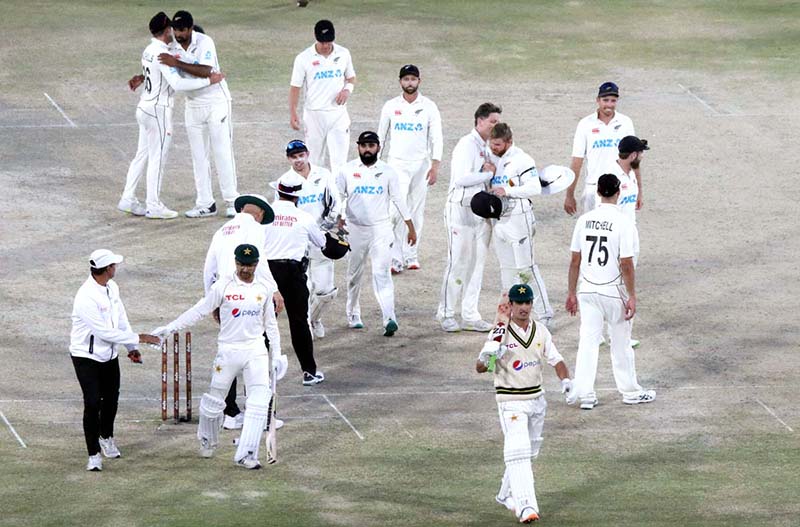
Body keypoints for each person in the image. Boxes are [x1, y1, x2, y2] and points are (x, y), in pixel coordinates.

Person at [152, 244, 288, 469]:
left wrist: (277, 354)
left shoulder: (263, 288)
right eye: (241, 264)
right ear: (235, 263)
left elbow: (271, 326)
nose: (245, 269)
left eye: (250, 265)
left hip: (255, 350)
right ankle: (207, 439)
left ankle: (247, 454)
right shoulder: (222, 286)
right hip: (228, 350)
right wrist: (170, 328)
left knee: (259, 402)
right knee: (215, 402)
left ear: (256, 264)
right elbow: (199, 310)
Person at [475, 284, 572, 523]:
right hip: (511, 400)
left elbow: (556, 359)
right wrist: (487, 357)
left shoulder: (541, 331)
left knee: (530, 452)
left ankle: (504, 494)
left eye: (528, 302)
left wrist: (566, 381)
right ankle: (526, 505)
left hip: (537, 399)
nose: (525, 307)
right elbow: (480, 367)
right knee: (517, 450)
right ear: (511, 306)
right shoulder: (499, 333)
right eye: (520, 303)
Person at [118, 12, 225, 219]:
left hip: (144, 107)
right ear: (166, 31)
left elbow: (153, 73)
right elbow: (178, 84)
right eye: (171, 30)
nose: (174, 34)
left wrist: (140, 77)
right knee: (156, 159)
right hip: (158, 111)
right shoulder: (162, 54)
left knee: (142, 155)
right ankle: (154, 205)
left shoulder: (149, 50)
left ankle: (127, 198)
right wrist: (209, 81)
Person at [565, 174, 655, 409]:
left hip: (587, 291)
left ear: (598, 193)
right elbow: (626, 263)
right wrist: (632, 295)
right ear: (619, 192)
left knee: (588, 342)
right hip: (613, 291)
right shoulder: (624, 223)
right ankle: (630, 391)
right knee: (621, 343)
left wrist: (571, 293)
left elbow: (575, 260)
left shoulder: (584, 220)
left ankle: (585, 394)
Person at [70, 249, 161, 471]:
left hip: (109, 355)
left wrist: (132, 347)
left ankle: (106, 437)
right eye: (114, 265)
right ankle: (93, 455)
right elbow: (104, 333)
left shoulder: (112, 288)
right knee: (92, 402)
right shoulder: (85, 297)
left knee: (111, 400)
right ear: (108, 268)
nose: (116, 268)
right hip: (86, 356)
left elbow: (121, 319)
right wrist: (140, 337)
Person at [203, 193, 283, 429]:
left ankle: (229, 414)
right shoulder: (255, 228)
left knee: (229, 353)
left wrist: (212, 301)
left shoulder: (221, 231)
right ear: (259, 213)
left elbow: (208, 268)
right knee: (257, 352)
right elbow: (262, 262)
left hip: (226, 297)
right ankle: (261, 414)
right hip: (251, 297)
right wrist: (276, 290)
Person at [155, 10, 240, 218]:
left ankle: (231, 201)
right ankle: (205, 203)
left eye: (182, 30)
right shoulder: (171, 45)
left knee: (222, 152)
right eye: (175, 29)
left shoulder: (205, 42)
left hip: (216, 103)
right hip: (192, 105)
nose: (178, 34)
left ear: (191, 28)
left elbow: (206, 70)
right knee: (198, 156)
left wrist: (177, 63)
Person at [336, 131, 416, 336]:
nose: (367, 149)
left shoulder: (388, 172)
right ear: (358, 147)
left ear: (378, 147)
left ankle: (389, 318)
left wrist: (410, 227)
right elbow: (338, 197)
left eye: (371, 145)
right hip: (355, 230)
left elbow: (398, 199)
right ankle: (353, 314)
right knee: (354, 274)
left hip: (381, 229)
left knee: (382, 274)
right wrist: (338, 219)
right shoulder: (346, 170)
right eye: (364, 145)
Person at [436, 102, 502, 333]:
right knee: (458, 262)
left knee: (478, 264)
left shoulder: (488, 147)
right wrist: (487, 173)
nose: (496, 126)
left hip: (482, 213)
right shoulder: (466, 144)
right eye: (493, 121)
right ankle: (445, 313)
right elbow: (462, 179)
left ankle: (471, 314)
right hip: (461, 210)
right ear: (480, 120)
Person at [484, 123, 554, 327]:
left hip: (520, 220)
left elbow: (534, 187)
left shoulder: (522, 159)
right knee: (506, 270)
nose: (493, 148)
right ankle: (508, 316)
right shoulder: (491, 160)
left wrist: (508, 191)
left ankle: (545, 315)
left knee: (527, 270)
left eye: (497, 144)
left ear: (509, 142)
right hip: (500, 223)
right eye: (492, 144)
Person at [376, 64, 443, 273]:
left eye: (413, 79)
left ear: (419, 81)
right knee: (396, 211)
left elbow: (436, 137)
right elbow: (381, 137)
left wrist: (435, 165)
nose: (410, 83)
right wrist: (376, 166)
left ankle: (411, 255)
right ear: (400, 82)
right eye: (406, 79)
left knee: (416, 211)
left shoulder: (429, 106)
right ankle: (395, 258)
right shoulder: (390, 106)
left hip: (420, 165)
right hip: (397, 164)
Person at [264, 172, 328, 385]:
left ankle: (261, 374)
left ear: (278, 191)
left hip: (268, 274)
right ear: (297, 197)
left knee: (264, 322)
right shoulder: (304, 217)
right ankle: (309, 372)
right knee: (299, 322)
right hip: (294, 274)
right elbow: (321, 243)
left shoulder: (265, 214)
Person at [278, 139, 341, 339]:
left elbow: (335, 203)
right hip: (297, 244)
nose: (298, 160)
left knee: (326, 291)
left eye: (301, 155)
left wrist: (325, 229)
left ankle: (314, 318)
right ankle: (305, 328)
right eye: (294, 157)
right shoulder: (285, 181)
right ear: (289, 158)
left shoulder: (323, 175)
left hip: (321, 238)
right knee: (302, 291)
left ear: (307, 154)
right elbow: (281, 212)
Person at [289, 19, 356, 173]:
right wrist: (293, 112)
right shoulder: (303, 58)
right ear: (316, 38)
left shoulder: (343, 53)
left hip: (338, 115)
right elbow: (295, 88)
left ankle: (338, 196)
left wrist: (347, 90)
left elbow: (351, 78)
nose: (326, 46)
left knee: (339, 162)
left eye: (329, 41)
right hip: (314, 116)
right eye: (322, 42)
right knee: (314, 162)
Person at [563, 82, 637, 216]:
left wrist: (638, 191)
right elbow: (577, 161)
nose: (609, 104)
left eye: (613, 100)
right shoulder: (585, 124)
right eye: (605, 100)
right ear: (598, 100)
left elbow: (634, 158)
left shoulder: (626, 123)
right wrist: (569, 194)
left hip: (621, 188)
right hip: (594, 188)